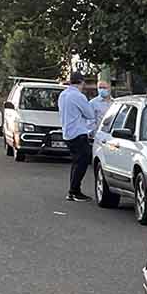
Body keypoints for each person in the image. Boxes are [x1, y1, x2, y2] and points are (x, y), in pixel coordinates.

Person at [58, 73, 97, 202]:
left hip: (67, 132)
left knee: (76, 162)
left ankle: (72, 190)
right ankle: (75, 191)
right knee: (82, 161)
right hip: (78, 133)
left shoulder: (63, 95)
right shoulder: (78, 96)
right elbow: (90, 114)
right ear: (81, 82)